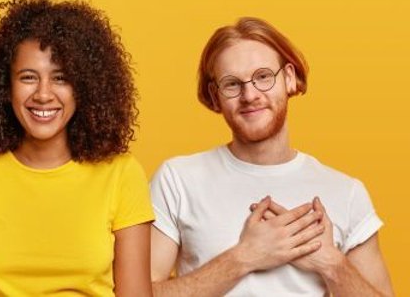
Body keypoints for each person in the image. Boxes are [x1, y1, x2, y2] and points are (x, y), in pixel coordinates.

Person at [149, 17, 394, 296]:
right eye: (232, 84)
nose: (250, 95)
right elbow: (136, 293)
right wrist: (243, 258)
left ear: (288, 78)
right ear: (215, 97)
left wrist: (331, 263)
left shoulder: (346, 192)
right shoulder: (177, 180)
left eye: (263, 76)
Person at [0, 0, 153, 296]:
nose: (43, 94)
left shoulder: (121, 173)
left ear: (85, 87)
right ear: (5, 86)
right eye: (28, 77)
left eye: (60, 78)